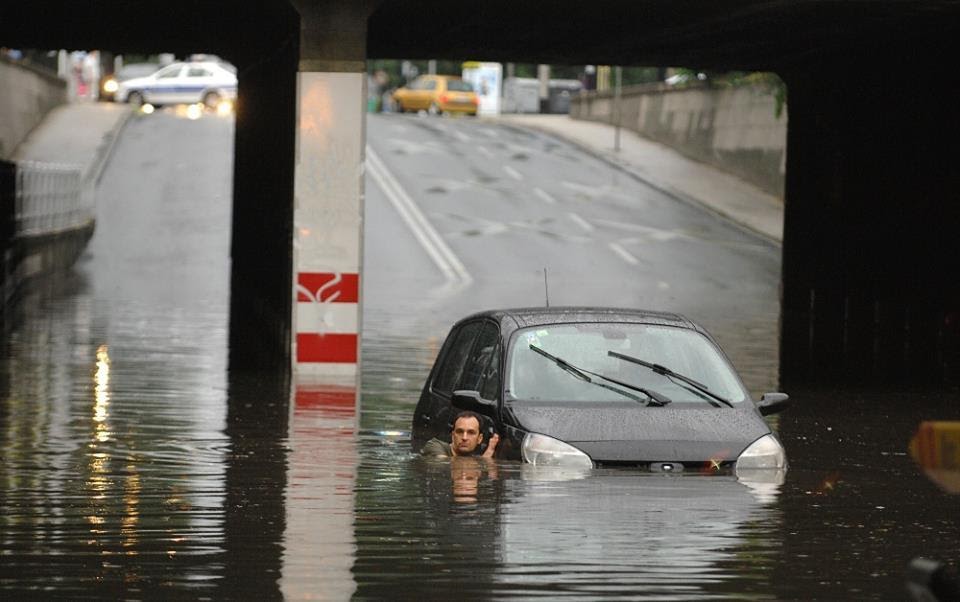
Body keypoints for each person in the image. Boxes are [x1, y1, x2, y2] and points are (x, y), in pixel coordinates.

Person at [421, 410, 499, 458]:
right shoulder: (434, 445)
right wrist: (486, 459)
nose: (464, 438)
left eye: (471, 433)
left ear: (479, 439)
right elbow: (447, 465)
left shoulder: (474, 457)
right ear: (453, 435)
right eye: (460, 432)